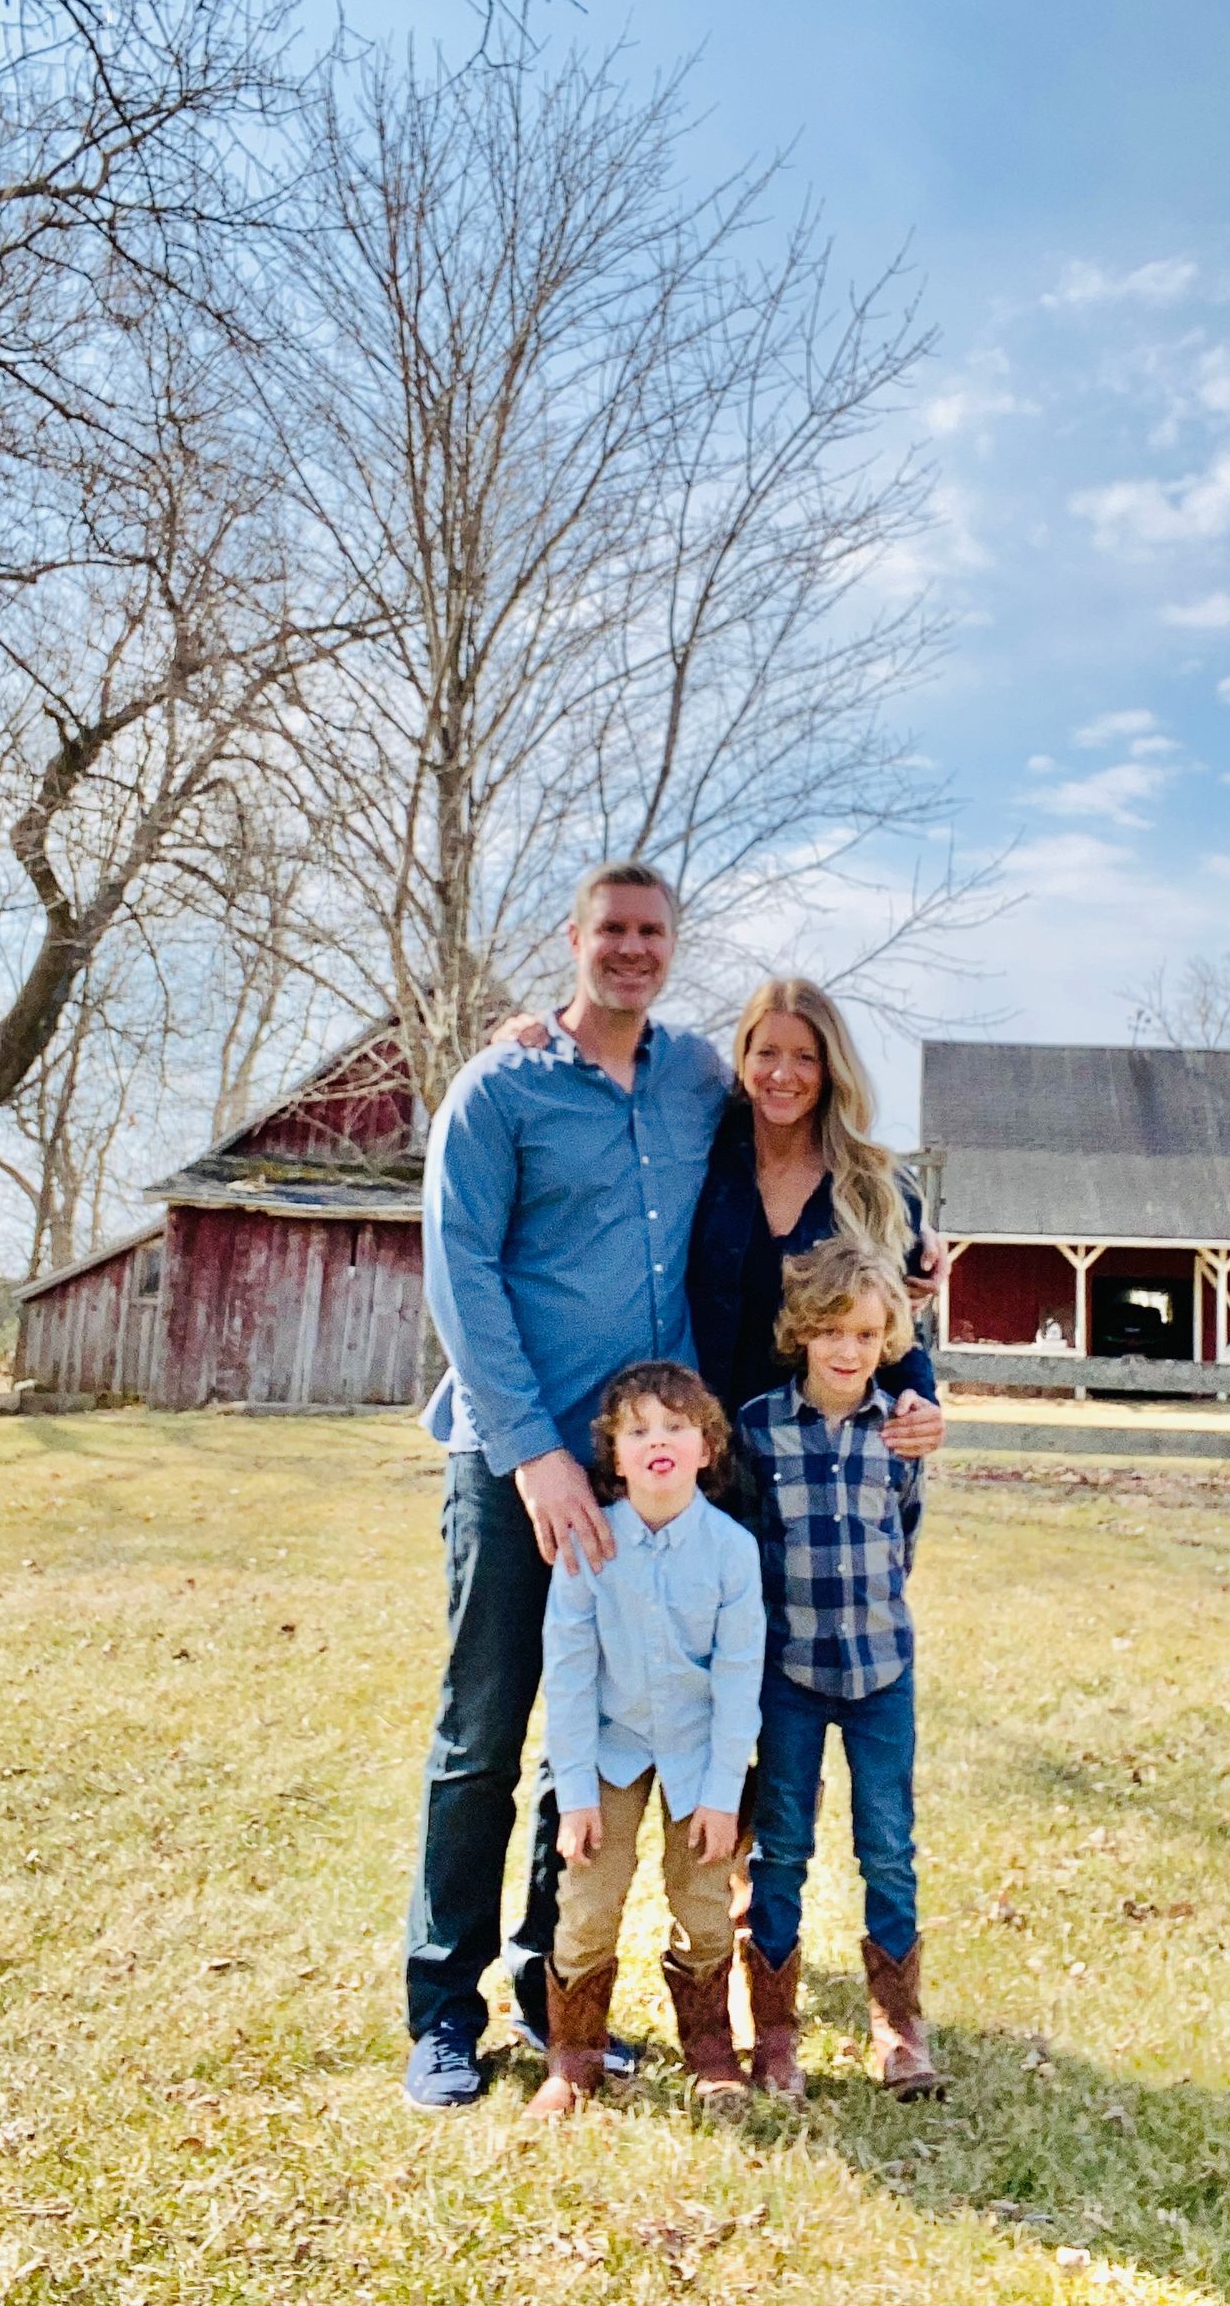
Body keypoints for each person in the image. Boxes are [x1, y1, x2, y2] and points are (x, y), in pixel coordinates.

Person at [403, 860, 733, 2111]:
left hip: (647, 1474)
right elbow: (460, 1272)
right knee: (483, 1736)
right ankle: (444, 2012)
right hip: (512, 1462)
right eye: (612, 931)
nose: (633, 950)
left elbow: (815, 1127)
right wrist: (535, 1451)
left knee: (587, 1746)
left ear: (672, 945)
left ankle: (559, 2001)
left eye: (653, 933)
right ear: (574, 939)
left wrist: (908, 1228)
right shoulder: (500, 1089)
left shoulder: (699, 1079)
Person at [523, 1362, 764, 2122]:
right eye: (637, 1431)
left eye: (676, 1427)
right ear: (614, 1455)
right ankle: (574, 2057)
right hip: (612, 1746)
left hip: (700, 1750)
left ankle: (711, 2051)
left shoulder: (731, 1551)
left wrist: (723, 1796)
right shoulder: (591, 1545)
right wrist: (577, 1793)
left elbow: (737, 1682)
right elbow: (567, 1673)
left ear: (707, 1447)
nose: (657, 1441)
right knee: (590, 1896)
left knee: (702, 1897)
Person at [736, 1234, 945, 2104]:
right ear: (800, 1333)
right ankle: (775, 2032)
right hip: (789, 1668)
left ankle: (898, 2026)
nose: (848, 1350)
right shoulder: (757, 1427)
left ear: (888, 1334)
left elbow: (906, 1532)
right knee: (782, 1846)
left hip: (880, 1671)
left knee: (888, 1847)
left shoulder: (899, 1430)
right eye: (829, 1332)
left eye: (864, 1334)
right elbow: (747, 1540)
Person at [687, 977, 944, 1454]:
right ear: (742, 1059)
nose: (783, 1074)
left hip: (819, 1461)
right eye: (766, 1052)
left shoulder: (876, 1189)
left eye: (805, 1056)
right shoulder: (699, 1159)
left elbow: (896, 1327)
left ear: (830, 1068)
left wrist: (920, 1399)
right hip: (702, 1455)